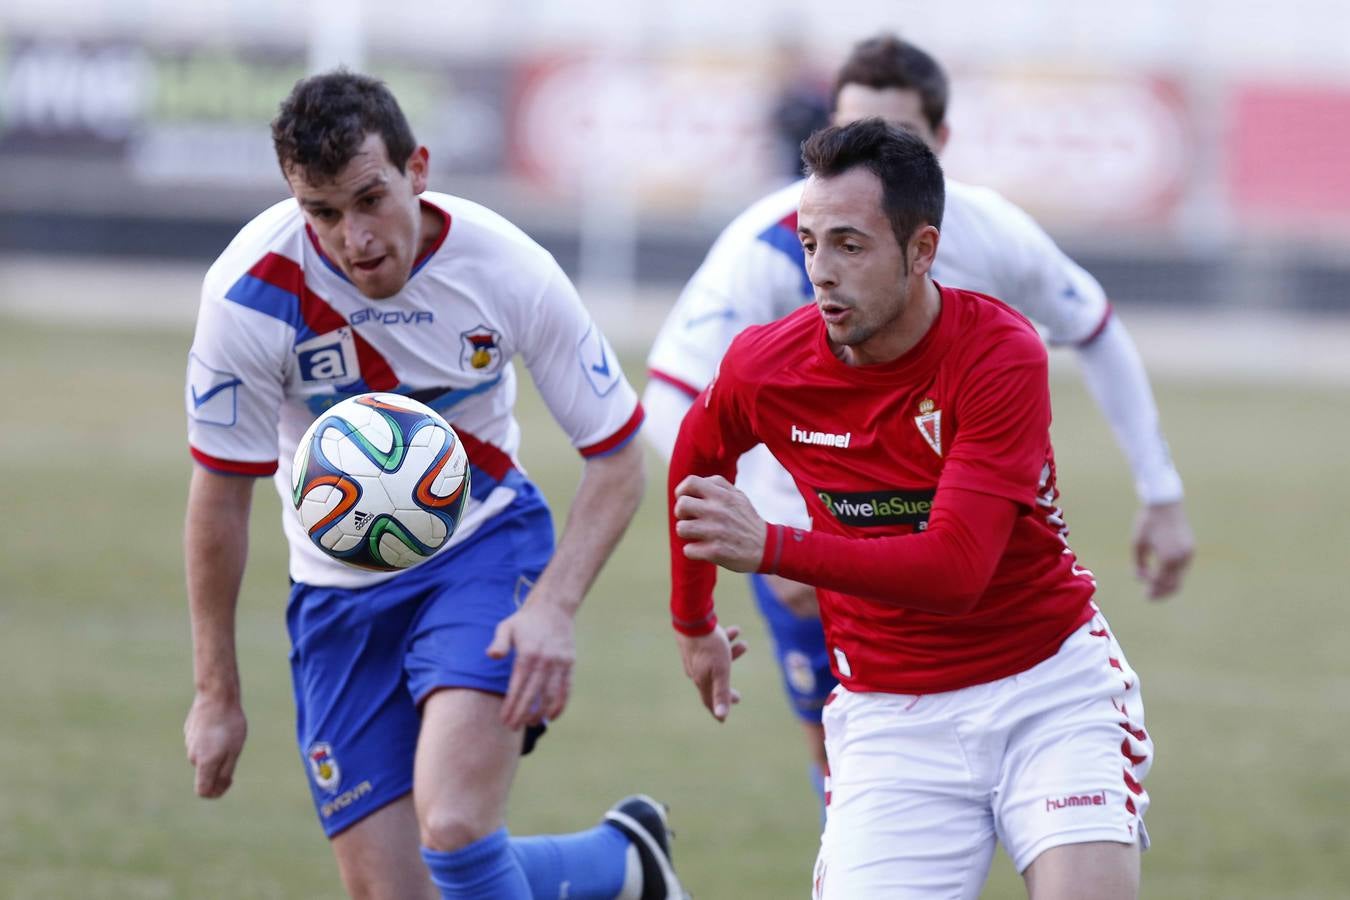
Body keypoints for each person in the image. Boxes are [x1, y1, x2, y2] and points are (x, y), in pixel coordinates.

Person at [643, 33, 1191, 813]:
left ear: (938, 147)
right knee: (848, 755)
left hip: (981, 555)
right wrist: (776, 528)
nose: (825, 257)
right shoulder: (770, 245)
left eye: (897, 139)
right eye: (852, 131)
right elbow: (678, 400)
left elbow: (1095, 327)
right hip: (811, 524)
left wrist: (1160, 489)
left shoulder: (991, 236)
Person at [183, 70, 686, 900]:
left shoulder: (508, 266)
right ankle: (620, 863)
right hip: (336, 596)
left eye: (369, 198)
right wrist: (215, 697)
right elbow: (220, 498)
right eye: (324, 213)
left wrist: (554, 605)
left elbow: (619, 454)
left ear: (417, 168)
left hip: (482, 551)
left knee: (454, 826)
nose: (355, 238)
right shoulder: (250, 295)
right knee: (399, 891)